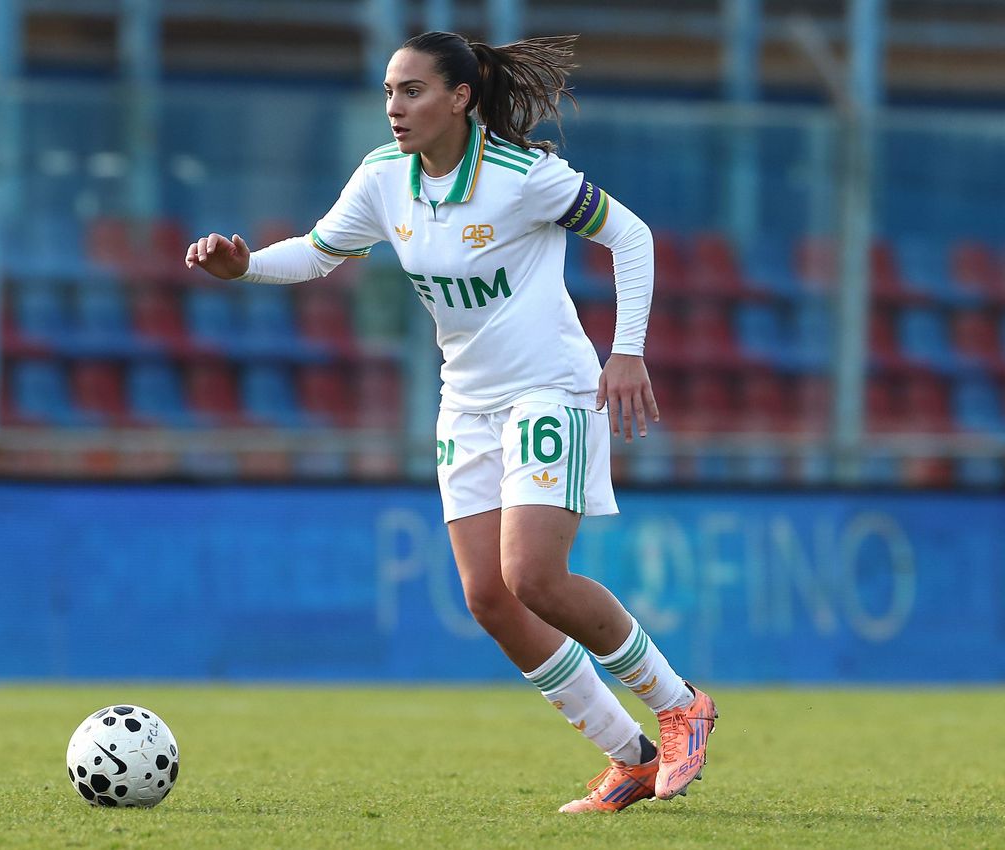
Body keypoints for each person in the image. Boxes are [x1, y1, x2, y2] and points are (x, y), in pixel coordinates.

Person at [186, 30, 716, 813]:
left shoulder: (522, 176)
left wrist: (626, 353)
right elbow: (322, 250)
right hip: (466, 401)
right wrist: (248, 265)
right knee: (490, 600)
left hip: (550, 390)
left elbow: (628, 235)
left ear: (459, 98)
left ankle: (679, 707)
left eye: (412, 91)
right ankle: (629, 756)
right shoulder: (383, 178)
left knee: (533, 575)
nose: (394, 107)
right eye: (389, 93)